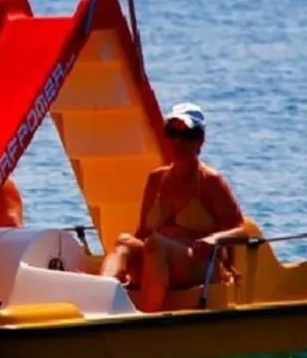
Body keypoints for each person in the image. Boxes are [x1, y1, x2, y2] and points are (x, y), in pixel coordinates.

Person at [99, 102, 246, 312]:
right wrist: (132, 265)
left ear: (200, 140)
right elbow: (142, 232)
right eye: (173, 133)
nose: (179, 142)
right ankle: (99, 299)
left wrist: (214, 239)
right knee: (124, 242)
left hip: (200, 265)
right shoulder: (155, 179)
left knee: (156, 245)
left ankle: (148, 317)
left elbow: (242, 231)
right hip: (159, 257)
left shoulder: (211, 181)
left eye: (187, 136)